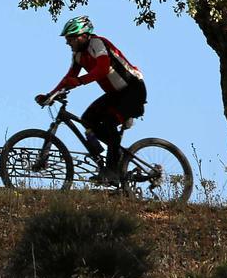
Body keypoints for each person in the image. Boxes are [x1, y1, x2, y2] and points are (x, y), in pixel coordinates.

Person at [35, 15, 147, 184]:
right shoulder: (78, 55)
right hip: (115, 95)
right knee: (87, 119)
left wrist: (80, 81)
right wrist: (50, 95)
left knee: (109, 123)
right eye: (67, 39)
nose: (68, 43)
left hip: (133, 90)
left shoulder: (97, 43)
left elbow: (102, 69)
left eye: (71, 38)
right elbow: (69, 77)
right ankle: (115, 154)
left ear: (84, 35)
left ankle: (112, 172)